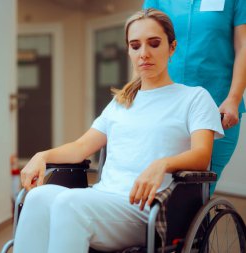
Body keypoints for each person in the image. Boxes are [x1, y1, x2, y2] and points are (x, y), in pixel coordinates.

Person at [13, 9, 224, 253]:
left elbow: (202, 155)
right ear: (129, 52)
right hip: (104, 198)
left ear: (172, 47)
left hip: (148, 208)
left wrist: (162, 164)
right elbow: (81, 147)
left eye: (154, 44)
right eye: (135, 46)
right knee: (38, 198)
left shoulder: (194, 98)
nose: (144, 53)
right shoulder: (121, 102)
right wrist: (42, 156)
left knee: (69, 203)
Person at [143, 0, 246, 194]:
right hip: (163, 105)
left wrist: (234, 98)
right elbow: (143, 45)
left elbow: (244, 46)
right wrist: (135, 92)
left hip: (217, 108)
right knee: (155, 186)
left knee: (195, 194)